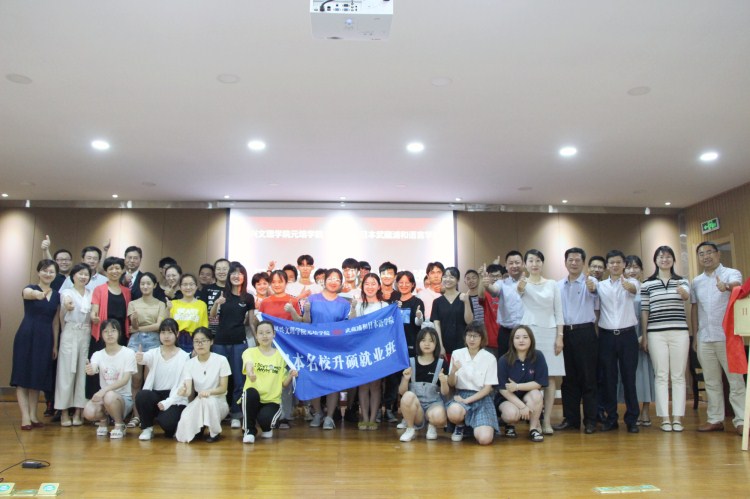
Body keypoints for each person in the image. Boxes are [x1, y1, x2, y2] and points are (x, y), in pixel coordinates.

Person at [691, 241, 746, 435]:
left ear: (718, 254)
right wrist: (695, 336)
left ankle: (742, 421)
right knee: (711, 381)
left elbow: (738, 286)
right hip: (705, 337)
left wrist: (726, 286)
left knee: (735, 381)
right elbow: (695, 308)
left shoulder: (731, 273)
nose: (706, 256)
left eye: (709, 252)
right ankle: (715, 419)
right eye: (701, 253)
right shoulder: (696, 281)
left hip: (727, 337)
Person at [640, 246, 690, 432]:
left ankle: (677, 417)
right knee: (661, 375)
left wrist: (683, 292)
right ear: (655, 260)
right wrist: (645, 335)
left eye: (668, 256)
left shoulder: (682, 281)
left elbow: (686, 296)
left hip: (680, 332)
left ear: (673, 260)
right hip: (655, 333)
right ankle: (664, 418)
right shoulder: (647, 284)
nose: (665, 259)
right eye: (661, 257)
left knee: (678, 376)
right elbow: (645, 311)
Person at [517, 249, 563, 434]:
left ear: (542, 263)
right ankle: (534, 421)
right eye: (530, 260)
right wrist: (521, 286)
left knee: (550, 377)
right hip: (530, 332)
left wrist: (560, 336)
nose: (534, 264)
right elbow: (520, 290)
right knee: (531, 376)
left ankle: (547, 421)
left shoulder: (552, 284)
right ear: (525, 264)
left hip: (550, 332)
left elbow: (559, 311)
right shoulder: (523, 283)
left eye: (538, 260)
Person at [10, 259, 61, 430]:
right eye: (45, 270)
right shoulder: (30, 288)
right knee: (22, 377)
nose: (48, 274)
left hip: (46, 339)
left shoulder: (57, 295)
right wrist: (38, 294)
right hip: (27, 335)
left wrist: (54, 345)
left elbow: (55, 323)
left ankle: (33, 415)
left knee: (37, 377)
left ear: (55, 275)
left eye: (51, 271)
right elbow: (28, 293)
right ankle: (25, 417)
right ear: (38, 272)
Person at [554, 247, 599, 434]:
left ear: (583, 263)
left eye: (577, 260)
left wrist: (592, 287)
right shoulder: (558, 285)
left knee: (588, 378)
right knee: (568, 379)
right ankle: (571, 419)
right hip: (565, 333)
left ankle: (591, 420)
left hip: (585, 332)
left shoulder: (591, 282)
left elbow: (595, 293)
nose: (573, 263)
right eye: (570, 260)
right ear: (565, 263)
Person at [596, 250, 641, 433]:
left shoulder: (632, 282)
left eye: (618, 262)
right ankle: (611, 418)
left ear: (624, 265)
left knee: (629, 378)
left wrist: (627, 285)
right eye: (611, 262)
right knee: (608, 379)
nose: (615, 265)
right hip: (606, 336)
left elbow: (633, 289)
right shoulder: (600, 285)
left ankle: (632, 419)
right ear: (607, 266)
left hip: (627, 336)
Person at [302, 268, 351, 430]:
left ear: (341, 283)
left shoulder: (344, 303)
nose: (333, 282)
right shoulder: (312, 299)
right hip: (314, 346)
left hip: (334, 348)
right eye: (330, 278)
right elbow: (305, 322)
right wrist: (307, 310)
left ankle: (329, 416)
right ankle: (317, 413)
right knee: (314, 380)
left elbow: (347, 327)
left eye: (337, 279)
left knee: (332, 382)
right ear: (324, 281)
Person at [211, 262, 256, 429]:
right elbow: (212, 316)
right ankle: (218, 412)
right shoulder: (222, 294)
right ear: (229, 276)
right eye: (233, 273)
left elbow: (251, 322)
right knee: (219, 379)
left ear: (244, 276)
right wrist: (217, 303)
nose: (236, 276)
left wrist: (258, 340)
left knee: (239, 380)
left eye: (240, 273)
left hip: (239, 342)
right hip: (220, 342)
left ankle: (236, 414)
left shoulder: (248, 297)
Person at [257, 270, 304, 429]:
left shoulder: (293, 300)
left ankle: (285, 416)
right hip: (269, 346)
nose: (277, 285)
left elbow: (300, 323)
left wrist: (291, 310)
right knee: (270, 379)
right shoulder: (265, 302)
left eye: (280, 281)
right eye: (274, 282)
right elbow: (261, 326)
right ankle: (270, 414)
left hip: (288, 346)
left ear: (286, 282)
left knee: (286, 380)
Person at [241, 321, 299, 443]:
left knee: (265, 420)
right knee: (250, 392)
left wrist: (291, 375)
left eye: (268, 332)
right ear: (256, 335)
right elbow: (249, 363)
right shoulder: (249, 352)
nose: (265, 336)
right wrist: (250, 373)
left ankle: (266, 427)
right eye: (261, 333)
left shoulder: (281, 356)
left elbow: (284, 384)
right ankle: (249, 431)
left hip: (272, 401)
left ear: (274, 334)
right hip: (253, 399)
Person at [134, 318, 190, 440]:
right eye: (163, 332)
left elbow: (183, 385)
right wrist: (140, 357)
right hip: (155, 395)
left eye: (170, 332)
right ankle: (147, 429)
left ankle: (171, 424)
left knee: (168, 424)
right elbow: (145, 358)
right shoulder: (153, 352)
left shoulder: (184, 356)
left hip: (174, 397)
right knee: (142, 395)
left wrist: (168, 402)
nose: (166, 336)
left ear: (177, 334)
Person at [175, 327, 231, 443]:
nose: (200, 344)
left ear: (211, 342)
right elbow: (188, 390)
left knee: (209, 401)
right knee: (185, 416)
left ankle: (214, 432)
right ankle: (199, 427)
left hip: (217, 402)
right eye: (196, 341)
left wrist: (209, 392)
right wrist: (183, 392)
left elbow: (223, 388)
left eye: (203, 341)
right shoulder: (189, 364)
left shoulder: (221, 360)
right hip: (200, 401)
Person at [126, 271, 167, 428]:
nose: (145, 286)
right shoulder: (133, 303)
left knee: (149, 381)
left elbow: (158, 326)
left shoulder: (160, 304)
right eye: (142, 283)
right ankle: (136, 416)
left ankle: (147, 417)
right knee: (136, 381)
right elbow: (133, 326)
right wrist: (135, 322)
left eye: (148, 283)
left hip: (154, 341)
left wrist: (137, 328)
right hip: (135, 342)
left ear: (154, 285)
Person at [445, 323, 499, 445]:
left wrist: (467, 401)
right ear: (465, 337)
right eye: (469, 335)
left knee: (485, 439)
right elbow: (451, 383)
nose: (472, 339)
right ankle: (460, 425)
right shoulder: (457, 354)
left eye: (476, 336)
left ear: (482, 338)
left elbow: (487, 389)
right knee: (454, 411)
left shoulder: (490, 358)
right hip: (461, 394)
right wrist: (453, 371)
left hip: (482, 398)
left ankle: (475, 427)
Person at [83, 319, 137, 439]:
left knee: (109, 395)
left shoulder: (128, 353)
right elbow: (93, 367)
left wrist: (104, 390)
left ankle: (119, 425)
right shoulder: (97, 354)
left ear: (119, 333)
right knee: (88, 411)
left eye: (113, 330)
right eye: (106, 331)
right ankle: (103, 420)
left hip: (123, 399)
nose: (110, 334)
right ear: (101, 334)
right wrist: (90, 370)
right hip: (105, 397)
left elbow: (125, 379)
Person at [55, 263, 93, 427]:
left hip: (86, 333)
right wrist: (68, 304)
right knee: (66, 372)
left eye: (86, 274)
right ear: (73, 276)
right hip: (70, 332)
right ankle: (64, 411)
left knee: (82, 373)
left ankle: (78, 411)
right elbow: (66, 302)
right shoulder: (67, 292)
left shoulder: (91, 293)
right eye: (80, 274)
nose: (83, 277)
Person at [350, 273, 389, 429]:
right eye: (367, 284)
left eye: (373, 284)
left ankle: (373, 418)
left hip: (378, 350)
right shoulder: (359, 306)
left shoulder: (384, 306)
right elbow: (351, 325)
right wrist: (353, 308)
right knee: (363, 385)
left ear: (379, 286)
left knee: (375, 386)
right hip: (362, 350)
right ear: (362, 286)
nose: (370, 287)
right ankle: (364, 417)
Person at [497, 326, 549, 442]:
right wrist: (522, 406)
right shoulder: (503, 360)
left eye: (525, 337)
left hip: (528, 395)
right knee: (511, 414)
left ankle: (533, 429)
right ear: (512, 341)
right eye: (517, 338)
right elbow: (503, 389)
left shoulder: (538, 356)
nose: (521, 340)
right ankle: (509, 425)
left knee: (537, 394)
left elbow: (539, 383)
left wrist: (517, 386)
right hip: (507, 398)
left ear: (531, 340)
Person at [398, 327, 449, 441]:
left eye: (431, 341)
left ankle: (432, 425)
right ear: (418, 342)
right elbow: (401, 392)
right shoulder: (410, 362)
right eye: (423, 340)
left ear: (436, 344)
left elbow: (445, 392)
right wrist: (405, 379)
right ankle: (410, 429)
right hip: (416, 409)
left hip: (434, 404)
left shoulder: (442, 364)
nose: (427, 344)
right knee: (408, 396)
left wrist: (444, 381)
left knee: (439, 416)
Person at [623, 255, 655, 427]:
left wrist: (645, 334)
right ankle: (632, 410)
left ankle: (646, 410)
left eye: (635, 267)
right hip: (626, 335)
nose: (632, 270)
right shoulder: (621, 288)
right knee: (630, 376)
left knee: (645, 373)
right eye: (628, 267)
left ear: (642, 270)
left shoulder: (647, 288)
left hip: (644, 335)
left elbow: (653, 313)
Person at [488, 251, 526, 358]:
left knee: (525, 361)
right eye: (511, 263)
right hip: (506, 332)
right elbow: (494, 291)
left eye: (517, 262)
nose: (514, 266)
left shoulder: (530, 283)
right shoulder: (502, 283)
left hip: (526, 331)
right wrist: (487, 285)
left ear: (523, 264)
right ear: (506, 265)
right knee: (504, 362)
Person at [431, 267, 473, 360]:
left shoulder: (465, 297)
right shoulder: (437, 302)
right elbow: (437, 325)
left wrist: (466, 302)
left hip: (463, 345)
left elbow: (469, 321)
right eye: (445, 276)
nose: (448, 279)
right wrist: (440, 346)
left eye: (452, 277)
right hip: (445, 347)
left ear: (458, 280)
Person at [170, 274, 209, 353]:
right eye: (185, 284)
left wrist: (198, 346)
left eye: (191, 284)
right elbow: (168, 325)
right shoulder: (173, 304)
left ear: (196, 287)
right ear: (180, 287)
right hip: (176, 339)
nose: (188, 287)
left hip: (194, 340)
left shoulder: (202, 305)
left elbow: (204, 327)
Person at [477, 263, 503, 357]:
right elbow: (480, 296)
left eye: (498, 276)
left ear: (502, 276)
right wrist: (482, 278)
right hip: (490, 341)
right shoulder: (487, 293)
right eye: (492, 276)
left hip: (506, 339)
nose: (495, 279)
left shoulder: (507, 292)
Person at [197, 258, 229, 334]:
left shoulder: (233, 290)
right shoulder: (206, 289)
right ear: (214, 272)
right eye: (218, 269)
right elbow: (202, 311)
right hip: (209, 332)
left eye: (224, 269)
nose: (221, 272)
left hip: (228, 332)